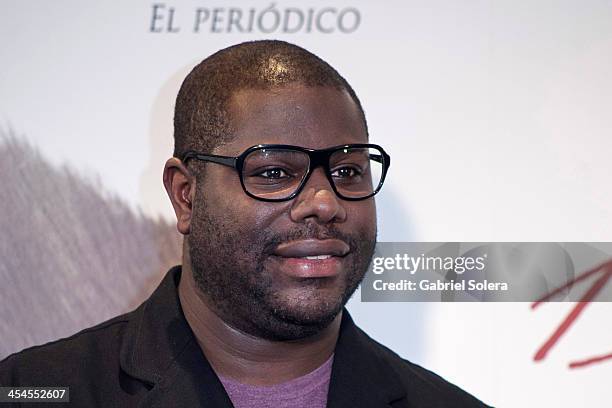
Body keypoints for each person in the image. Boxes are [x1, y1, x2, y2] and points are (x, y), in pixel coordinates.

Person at [0, 40, 489, 407]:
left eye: (346, 171)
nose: (324, 202)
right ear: (185, 194)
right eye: (274, 173)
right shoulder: (34, 390)